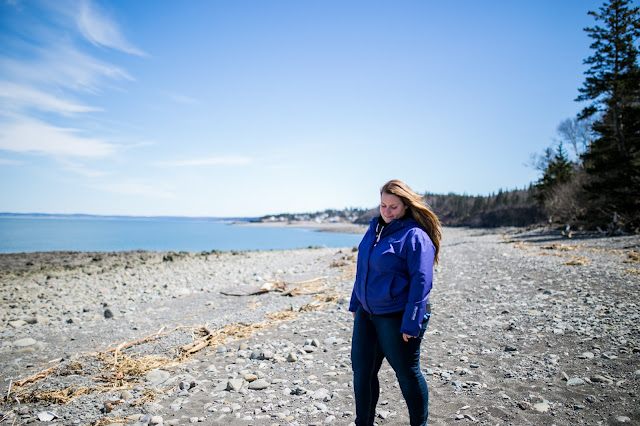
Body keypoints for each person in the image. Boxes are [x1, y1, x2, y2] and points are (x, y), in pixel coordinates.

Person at [349, 179, 442, 426]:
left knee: (407, 374)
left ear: (406, 206)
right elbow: (362, 268)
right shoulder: (374, 230)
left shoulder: (415, 236)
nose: (387, 212)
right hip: (367, 314)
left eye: (393, 207)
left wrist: (412, 322)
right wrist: (355, 304)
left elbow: (422, 282)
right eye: (383, 205)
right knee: (362, 373)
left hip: (397, 316)